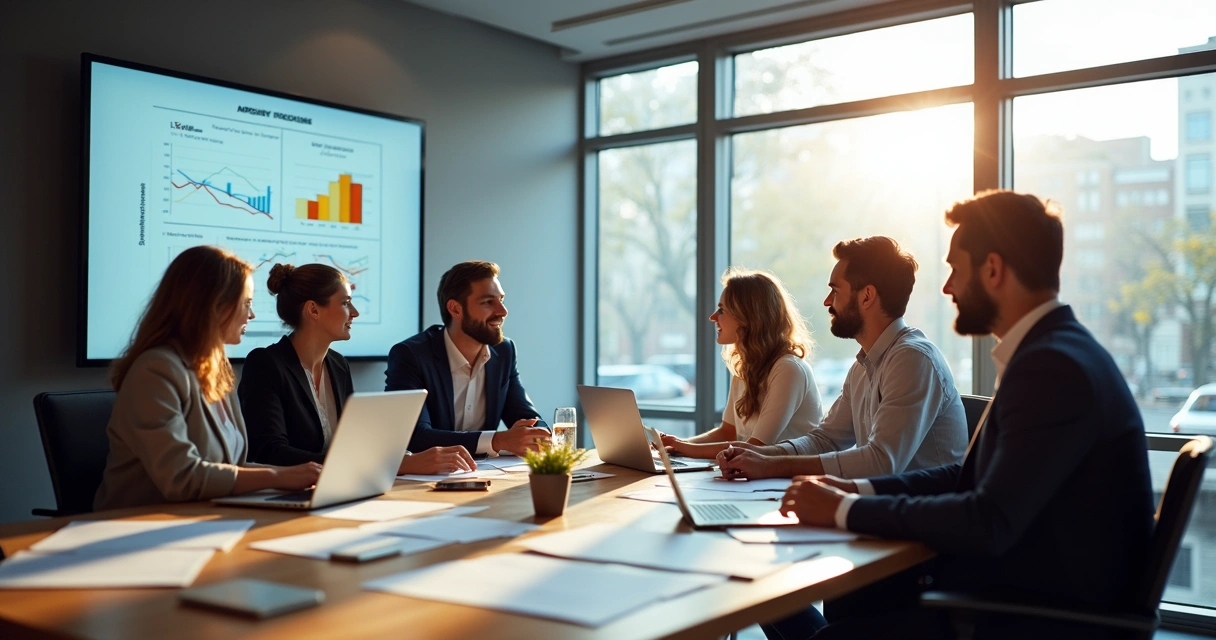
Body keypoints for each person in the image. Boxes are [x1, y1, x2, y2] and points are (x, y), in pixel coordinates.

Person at [778, 191, 1155, 639]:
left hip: (1031, 618)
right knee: (821, 605)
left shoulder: (1052, 367)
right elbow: (965, 477)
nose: (947, 287)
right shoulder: (1055, 353)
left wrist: (849, 510)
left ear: (993, 269)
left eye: (956, 268)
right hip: (1023, 595)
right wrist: (857, 490)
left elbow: (987, 519)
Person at [717, 236, 967, 481]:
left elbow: (881, 462)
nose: (827, 301)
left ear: (867, 296)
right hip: (885, 508)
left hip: (919, 516)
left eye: (834, 291)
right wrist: (756, 454)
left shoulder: (913, 360)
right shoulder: (863, 367)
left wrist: (770, 465)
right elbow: (825, 439)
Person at [94, 246, 321, 511]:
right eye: (246, 303)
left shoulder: (216, 367)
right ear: (214, 305)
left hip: (203, 519)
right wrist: (279, 476)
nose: (252, 315)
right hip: (138, 527)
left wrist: (303, 476)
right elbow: (183, 477)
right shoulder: (155, 370)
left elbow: (231, 470)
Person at [240, 263, 476, 475]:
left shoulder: (338, 364)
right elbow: (270, 453)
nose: (354, 312)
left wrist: (399, 458)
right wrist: (392, 465)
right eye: (345, 303)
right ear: (313, 310)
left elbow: (349, 444)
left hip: (338, 488)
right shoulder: (265, 363)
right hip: (286, 496)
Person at [385, 260, 549, 456]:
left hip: (486, 475)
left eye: (501, 300)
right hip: (428, 481)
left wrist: (539, 433)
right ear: (455, 309)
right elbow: (415, 437)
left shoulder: (504, 351)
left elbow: (525, 416)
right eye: (488, 302)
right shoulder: (411, 355)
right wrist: (497, 440)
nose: (502, 312)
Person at [659, 268, 823, 458]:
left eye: (721, 310)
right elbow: (727, 433)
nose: (713, 317)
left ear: (748, 317)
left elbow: (755, 447)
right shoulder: (745, 368)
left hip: (787, 482)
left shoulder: (788, 369)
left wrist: (683, 447)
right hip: (756, 479)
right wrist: (675, 446)